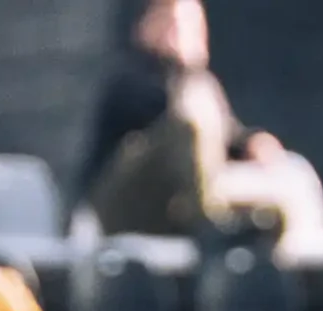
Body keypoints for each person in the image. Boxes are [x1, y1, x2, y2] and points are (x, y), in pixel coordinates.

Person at [82, 0, 284, 238]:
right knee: (186, 128)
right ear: (147, 27)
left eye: (193, 25)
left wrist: (252, 142)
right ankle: (210, 223)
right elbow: (172, 121)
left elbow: (229, 137)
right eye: (174, 25)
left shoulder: (202, 86)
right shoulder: (130, 78)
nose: (184, 33)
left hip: (179, 206)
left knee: (270, 211)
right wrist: (180, 70)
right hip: (123, 208)